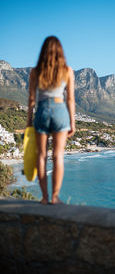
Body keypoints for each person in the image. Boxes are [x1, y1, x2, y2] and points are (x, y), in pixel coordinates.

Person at [27, 36, 75, 205]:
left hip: (42, 110)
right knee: (58, 155)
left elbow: (32, 99)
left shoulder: (35, 71)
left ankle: (44, 197)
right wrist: (72, 123)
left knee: (41, 156)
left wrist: (28, 121)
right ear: (60, 51)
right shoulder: (67, 70)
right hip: (60, 110)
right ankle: (55, 197)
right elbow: (70, 99)